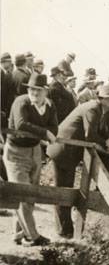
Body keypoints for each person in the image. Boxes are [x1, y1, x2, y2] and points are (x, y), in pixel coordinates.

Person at [46, 84, 109, 239]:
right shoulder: (92, 108)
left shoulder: (100, 110)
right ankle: (64, 231)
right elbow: (90, 136)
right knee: (64, 189)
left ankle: (68, 228)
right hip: (64, 150)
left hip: (72, 150)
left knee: (67, 187)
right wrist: (107, 148)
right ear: (105, 99)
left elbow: (102, 130)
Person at [4, 73, 58, 246]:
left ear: (45, 92)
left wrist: (46, 132)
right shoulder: (21, 102)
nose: (34, 92)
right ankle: (32, 236)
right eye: (32, 89)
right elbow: (20, 124)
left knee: (31, 195)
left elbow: (54, 128)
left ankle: (18, 233)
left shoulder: (49, 106)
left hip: (35, 150)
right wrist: (44, 132)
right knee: (23, 193)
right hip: (16, 152)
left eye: (39, 90)